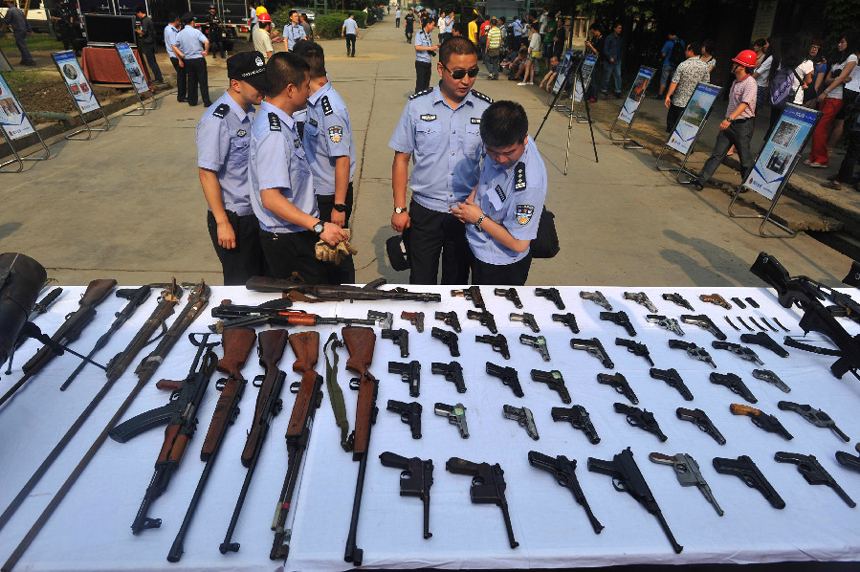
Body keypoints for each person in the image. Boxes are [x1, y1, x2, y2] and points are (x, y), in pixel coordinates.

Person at [389, 37, 492, 285]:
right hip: (425, 213)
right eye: (458, 73)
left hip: (464, 213)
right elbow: (401, 158)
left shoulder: (486, 109)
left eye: (472, 72)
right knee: (421, 281)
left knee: (456, 284)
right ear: (440, 69)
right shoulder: (417, 106)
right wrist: (399, 208)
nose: (465, 80)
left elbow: (492, 163)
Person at [249, 52, 349, 282]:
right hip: (288, 239)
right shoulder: (274, 134)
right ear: (290, 89)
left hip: (295, 231)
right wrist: (318, 226)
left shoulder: (279, 119)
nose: (309, 91)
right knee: (305, 303)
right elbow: (271, 199)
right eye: (306, 86)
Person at [450, 101, 546, 286]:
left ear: (525, 139)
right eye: (492, 152)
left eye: (508, 153)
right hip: (477, 240)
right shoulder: (502, 135)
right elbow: (488, 173)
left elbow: (519, 244)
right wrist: (472, 197)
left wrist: (478, 218)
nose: (500, 159)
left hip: (499, 261)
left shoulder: (528, 186)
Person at [196, 51, 268, 285]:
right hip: (233, 218)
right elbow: (207, 173)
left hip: (254, 214)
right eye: (257, 84)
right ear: (236, 84)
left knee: (261, 282)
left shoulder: (249, 111)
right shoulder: (217, 120)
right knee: (241, 287)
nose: (262, 89)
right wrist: (222, 222)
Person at [293, 41, 357, 284]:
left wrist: (339, 206)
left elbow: (342, 159)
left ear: (305, 74)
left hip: (331, 195)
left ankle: (347, 298)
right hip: (320, 191)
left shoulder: (330, 109)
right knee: (322, 255)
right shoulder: (313, 102)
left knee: (336, 257)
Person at [692, 49, 758, 191]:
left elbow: (744, 104)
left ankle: (746, 184)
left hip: (742, 125)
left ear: (742, 66)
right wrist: (728, 120)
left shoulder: (750, 83)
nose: (732, 65)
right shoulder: (735, 82)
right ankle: (700, 180)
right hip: (730, 124)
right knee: (717, 154)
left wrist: (729, 119)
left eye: (736, 63)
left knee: (745, 158)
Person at [805, 35, 857, 168]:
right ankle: (814, 156)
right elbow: (829, 79)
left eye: (842, 42)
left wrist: (826, 90)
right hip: (828, 96)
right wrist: (837, 80)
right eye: (839, 42)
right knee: (817, 126)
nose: (839, 44)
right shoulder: (837, 59)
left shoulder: (852, 58)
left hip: (836, 97)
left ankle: (822, 159)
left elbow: (841, 78)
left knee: (821, 127)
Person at [664, 42, 709, 133]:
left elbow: (674, 82)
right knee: (687, 126)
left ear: (691, 51)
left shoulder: (683, 65)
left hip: (679, 100)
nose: (685, 52)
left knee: (673, 123)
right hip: (695, 102)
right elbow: (706, 84)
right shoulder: (705, 66)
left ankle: (671, 141)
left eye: (686, 50)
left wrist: (668, 95)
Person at [173, 12, 211, 107]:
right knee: (202, 81)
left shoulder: (180, 34)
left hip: (188, 60)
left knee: (191, 81)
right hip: (198, 59)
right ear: (192, 22)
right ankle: (206, 101)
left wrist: (181, 54)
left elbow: (174, 45)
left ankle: (192, 101)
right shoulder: (196, 32)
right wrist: (206, 51)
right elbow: (206, 41)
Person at [134, 6, 163, 82]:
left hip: (148, 43)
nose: (137, 16)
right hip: (151, 43)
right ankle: (158, 77)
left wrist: (137, 31)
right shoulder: (148, 19)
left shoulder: (145, 21)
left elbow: (144, 32)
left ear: (140, 12)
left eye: (137, 14)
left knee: (151, 62)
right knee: (152, 61)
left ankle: (158, 78)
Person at [2, 0, 34, 66]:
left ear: (8, 3)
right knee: (19, 44)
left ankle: (29, 60)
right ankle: (24, 59)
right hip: (23, 29)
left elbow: (7, 21)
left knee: (22, 45)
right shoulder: (19, 10)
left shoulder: (10, 11)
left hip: (18, 30)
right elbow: (26, 21)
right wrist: (30, 30)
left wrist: (2, 28)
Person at [164, 14, 186, 101]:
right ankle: (181, 97)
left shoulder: (168, 28)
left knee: (182, 76)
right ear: (176, 20)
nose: (180, 22)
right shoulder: (171, 31)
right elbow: (174, 46)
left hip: (173, 55)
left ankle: (182, 95)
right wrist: (180, 60)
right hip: (176, 56)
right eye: (179, 20)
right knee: (181, 77)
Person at [413, 16, 439, 93]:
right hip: (421, 62)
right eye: (433, 25)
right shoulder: (419, 34)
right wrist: (429, 49)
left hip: (428, 62)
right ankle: (417, 101)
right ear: (428, 24)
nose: (433, 27)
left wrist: (434, 47)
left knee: (426, 85)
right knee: (420, 85)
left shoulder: (428, 35)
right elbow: (417, 47)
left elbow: (427, 47)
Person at [655, 32, 684, 99]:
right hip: (677, 64)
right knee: (674, 80)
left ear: (671, 34)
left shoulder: (668, 42)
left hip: (667, 64)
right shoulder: (682, 42)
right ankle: (672, 95)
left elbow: (663, 54)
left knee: (663, 80)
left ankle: (660, 94)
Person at [601, 22, 623, 97]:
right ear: (615, 29)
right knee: (607, 75)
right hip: (610, 59)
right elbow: (605, 49)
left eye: (621, 28)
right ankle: (604, 89)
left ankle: (618, 90)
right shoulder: (609, 38)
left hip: (617, 59)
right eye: (619, 28)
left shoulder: (620, 38)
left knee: (618, 75)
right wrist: (609, 57)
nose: (620, 30)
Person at [584, 23, 603, 102]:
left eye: (593, 32)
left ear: (597, 31)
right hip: (590, 60)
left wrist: (590, 46)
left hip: (596, 61)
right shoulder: (595, 39)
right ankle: (588, 95)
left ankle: (594, 96)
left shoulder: (601, 39)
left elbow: (597, 52)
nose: (592, 34)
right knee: (589, 79)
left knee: (594, 79)